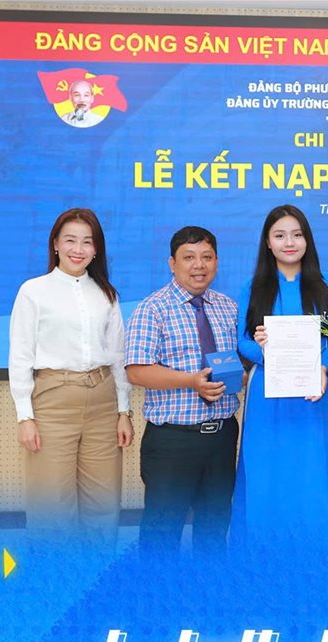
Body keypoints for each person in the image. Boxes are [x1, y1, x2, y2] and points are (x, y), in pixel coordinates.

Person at [8, 208, 134, 546]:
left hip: (103, 403)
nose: (78, 249)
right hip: (53, 402)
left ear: (96, 249)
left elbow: (118, 356)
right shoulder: (33, 291)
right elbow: (20, 357)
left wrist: (124, 411)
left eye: (87, 242)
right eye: (70, 240)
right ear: (55, 244)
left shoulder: (106, 294)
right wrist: (25, 417)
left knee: (103, 504)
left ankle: (96, 575)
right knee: (52, 506)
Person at [125, 226, 240, 556]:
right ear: (172, 263)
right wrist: (191, 381)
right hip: (173, 441)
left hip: (222, 436)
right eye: (189, 257)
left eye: (207, 257)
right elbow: (136, 370)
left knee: (215, 529)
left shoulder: (228, 307)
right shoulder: (152, 309)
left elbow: (238, 363)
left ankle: (207, 588)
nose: (198, 265)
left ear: (217, 262)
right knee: (162, 533)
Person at [232, 205, 328, 550]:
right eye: (280, 235)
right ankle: (261, 558)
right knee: (265, 475)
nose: (289, 242)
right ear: (268, 242)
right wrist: (265, 350)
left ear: (308, 240)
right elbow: (242, 342)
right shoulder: (253, 288)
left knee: (313, 474)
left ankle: (316, 558)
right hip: (267, 397)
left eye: (297, 235)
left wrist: (324, 367)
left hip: (315, 396)